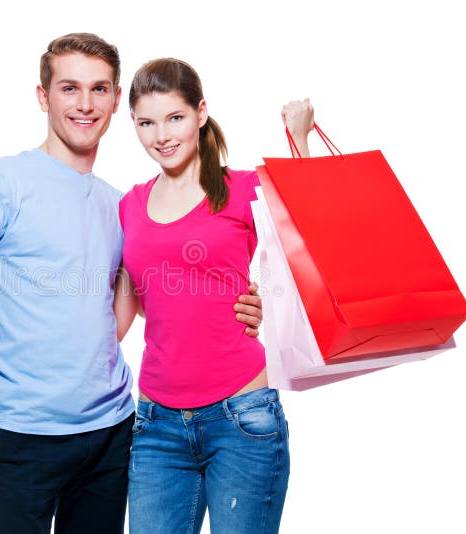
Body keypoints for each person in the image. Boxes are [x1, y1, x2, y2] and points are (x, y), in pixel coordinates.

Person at [0, 34, 264, 534]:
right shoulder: (3, 179)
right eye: (69, 88)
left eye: (99, 89)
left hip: (112, 432)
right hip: (21, 433)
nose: (85, 104)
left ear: (114, 100)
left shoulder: (120, 205)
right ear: (43, 97)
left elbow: (145, 296)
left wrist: (243, 300)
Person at [114, 58, 315, 534]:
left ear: (201, 113)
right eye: (147, 122)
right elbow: (122, 311)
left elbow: (316, 237)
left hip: (242, 418)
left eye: (175, 118)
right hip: (156, 424)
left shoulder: (243, 188)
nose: (161, 135)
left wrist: (300, 138)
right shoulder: (129, 206)